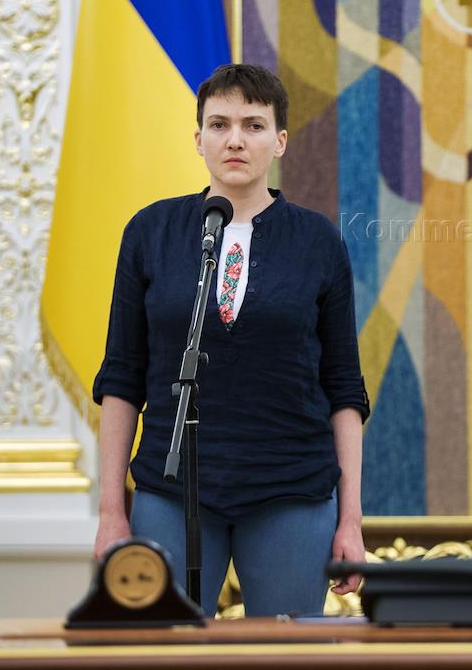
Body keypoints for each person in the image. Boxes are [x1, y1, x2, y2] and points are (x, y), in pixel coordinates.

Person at [92, 63, 370, 617]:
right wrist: (110, 512)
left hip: (291, 488)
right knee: (164, 648)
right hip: (171, 488)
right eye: (219, 125)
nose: (235, 140)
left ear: (280, 141)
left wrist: (351, 519)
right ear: (198, 139)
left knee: (285, 653)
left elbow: (343, 386)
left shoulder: (318, 241)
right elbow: (122, 377)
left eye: (253, 125)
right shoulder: (150, 232)